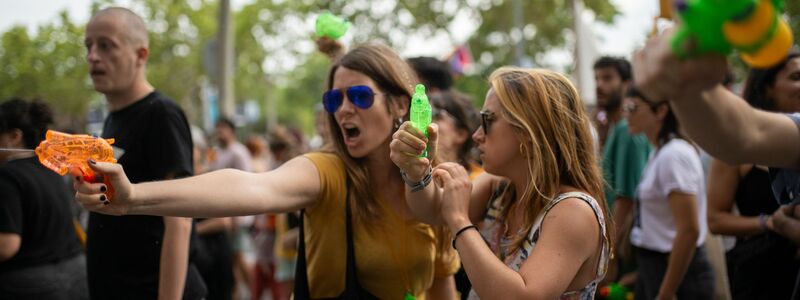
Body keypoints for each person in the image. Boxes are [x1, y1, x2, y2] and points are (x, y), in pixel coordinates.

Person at [75, 43, 459, 299]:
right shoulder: (327, 171)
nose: (343, 110)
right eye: (333, 98)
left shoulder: (437, 184)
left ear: (397, 106)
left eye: (358, 96)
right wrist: (133, 196)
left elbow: (443, 284)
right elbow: (254, 188)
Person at [391, 67, 612, 298]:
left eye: (487, 120)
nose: (477, 135)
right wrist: (416, 173)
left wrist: (459, 221)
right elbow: (434, 211)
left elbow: (523, 296)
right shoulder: (500, 186)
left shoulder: (574, 210)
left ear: (528, 130)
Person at [632, 29, 800, 244]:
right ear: (767, 88)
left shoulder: (673, 153)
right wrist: (685, 82)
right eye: (796, 77)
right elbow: (746, 134)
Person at [83, 7, 205, 299]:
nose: (93, 56)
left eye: (106, 45)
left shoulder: (161, 113)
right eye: (88, 46)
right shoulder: (113, 117)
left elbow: (180, 220)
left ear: (140, 55)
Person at [706, 51, 800, 300]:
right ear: (767, 87)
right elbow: (715, 220)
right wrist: (767, 223)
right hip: (758, 274)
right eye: (796, 76)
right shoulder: (736, 148)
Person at [624, 86, 715, 299]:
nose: (627, 114)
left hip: (679, 276)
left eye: (633, 107)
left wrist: (667, 290)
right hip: (661, 269)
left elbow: (689, 229)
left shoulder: (673, 155)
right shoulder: (661, 151)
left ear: (661, 110)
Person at [0, 99, 88, 299]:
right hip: (77, 276)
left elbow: (7, 245)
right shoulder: (53, 170)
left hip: (30, 285)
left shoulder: (7, 176)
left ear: (14, 136)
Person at [592, 56, 652, 287]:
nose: (599, 85)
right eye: (597, 78)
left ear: (627, 84)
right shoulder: (615, 128)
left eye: (608, 78)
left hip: (623, 254)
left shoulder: (628, 130)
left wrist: (610, 256)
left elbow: (626, 199)